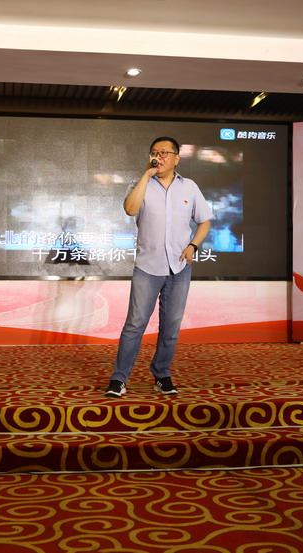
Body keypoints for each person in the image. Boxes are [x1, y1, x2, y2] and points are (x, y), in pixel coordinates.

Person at [105, 137, 212, 398]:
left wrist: (193, 246)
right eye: (155, 152)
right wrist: (146, 175)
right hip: (147, 267)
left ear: (176, 158)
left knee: (171, 328)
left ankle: (161, 374)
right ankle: (119, 379)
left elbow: (205, 221)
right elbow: (130, 209)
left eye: (165, 153)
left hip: (179, 267)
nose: (159, 157)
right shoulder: (140, 184)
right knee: (135, 325)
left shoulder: (189, 187)